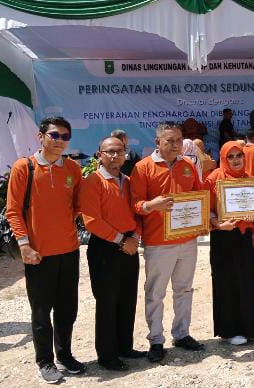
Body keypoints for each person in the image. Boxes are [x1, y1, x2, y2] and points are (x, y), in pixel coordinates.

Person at [5, 116, 85, 383]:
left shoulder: (73, 169)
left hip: (69, 250)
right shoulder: (23, 168)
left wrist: (65, 225)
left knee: (67, 308)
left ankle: (64, 355)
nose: (59, 141)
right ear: (41, 136)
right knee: (41, 312)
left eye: (65, 136)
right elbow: (14, 211)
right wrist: (25, 245)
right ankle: (45, 361)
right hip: (38, 254)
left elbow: (77, 205)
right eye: (54, 135)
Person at [130, 121, 205, 364]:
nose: (174, 145)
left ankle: (181, 334)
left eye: (178, 140)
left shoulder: (188, 165)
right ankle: (156, 340)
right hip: (158, 242)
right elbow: (134, 204)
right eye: (169, 141)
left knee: (184, 289)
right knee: (155, 293)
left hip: (188, 240)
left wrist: (208, 219)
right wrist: (152, 205)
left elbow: (199, 196)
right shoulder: (143, 168)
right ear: (157, 142)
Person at [80, 137, 145, 371]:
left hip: (129, 244)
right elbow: (91, 221)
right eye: (109, 152)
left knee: (127, 299)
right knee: (107, 302)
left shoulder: (128, 181)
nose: (115, 156)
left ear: (126, 154)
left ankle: (125, 347)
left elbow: (138, 213)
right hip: (106, 247)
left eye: (119, 151)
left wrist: (135, 238)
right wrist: (122, 240)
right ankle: (107, 356)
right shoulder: (92, 182)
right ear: (99, 154)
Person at [206, 141, 254, 346]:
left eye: (239, 156)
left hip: (243, 237)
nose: (235, 160)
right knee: (227, 282)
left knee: (248, 282)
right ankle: (231, 330)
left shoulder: (250, 179)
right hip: (223, 236)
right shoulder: (213, 179)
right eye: (231, 157)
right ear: (223, 159)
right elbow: (205, 209)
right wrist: (218, 223)